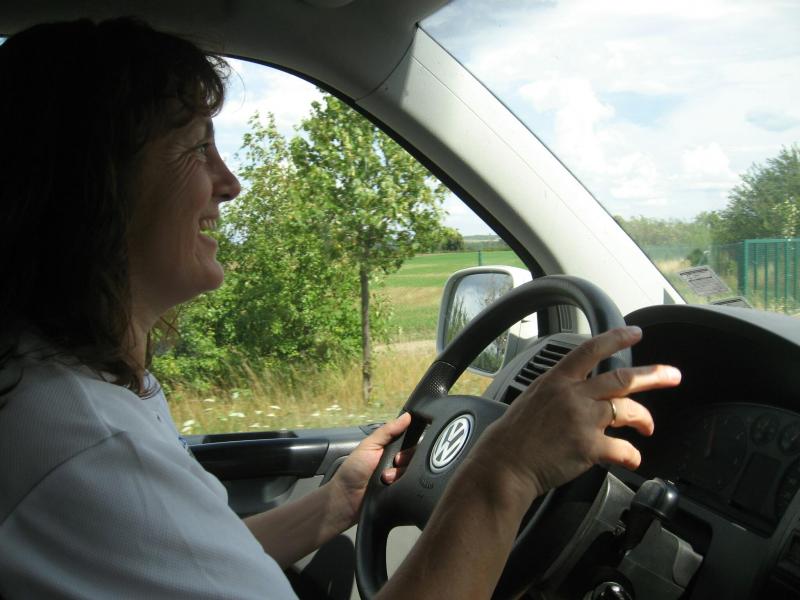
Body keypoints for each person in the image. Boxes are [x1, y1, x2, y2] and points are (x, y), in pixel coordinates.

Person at [0, 17, 681, 599]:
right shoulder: (87, 448)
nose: (229, 183)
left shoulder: (74, 388)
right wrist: (506, 472)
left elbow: (194, 566)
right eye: (198, 146)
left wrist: (334, 505)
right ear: (95, 183)